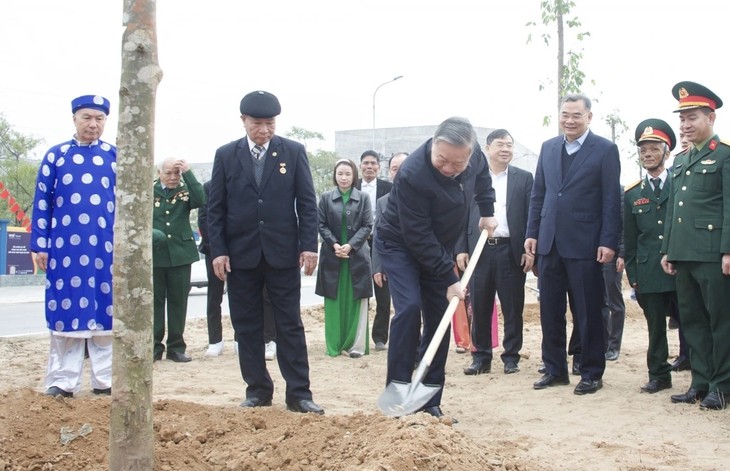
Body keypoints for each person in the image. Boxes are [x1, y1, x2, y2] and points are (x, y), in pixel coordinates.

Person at [207, 90, 324, 414]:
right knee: (246, 325)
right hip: (241, 256)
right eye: (257, 124)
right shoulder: (226, 155)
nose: (264, 130)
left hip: (282, 254)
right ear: (243, 121)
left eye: (270, 123)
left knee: (289, 324)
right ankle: (257, 389)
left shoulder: (294, 151)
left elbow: (307, 203)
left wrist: (308, 246)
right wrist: (219, 251)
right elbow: (215, 209)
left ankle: (299, 393)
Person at [376, 116, 496, 421]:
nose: (447, 168)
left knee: (439, 317)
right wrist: (448, 277)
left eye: (456, 164)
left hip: (437, 246)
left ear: (470, 153)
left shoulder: (475, 158)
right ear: (433, 143)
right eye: (441, 159)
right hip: (400, 244)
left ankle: (429, 399)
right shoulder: (413, 174)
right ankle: (398, 393)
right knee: (408, 309)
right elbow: (417, 236)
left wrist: (487, 212)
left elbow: (482, 180)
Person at [525, 93, 621, 396]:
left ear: (589, 117)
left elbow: (610, 201)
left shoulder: (605, 150)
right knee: (549, 310)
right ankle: (554, 369)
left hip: (586, 244)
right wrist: (533, 232)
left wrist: (609, 241)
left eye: (576, 115)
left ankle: (591, 372)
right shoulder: (549, 148)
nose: (570, 120)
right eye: (565, 114)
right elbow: (539, 194)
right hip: (550, 243)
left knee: (588, 311)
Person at [30, 94, 116, 397]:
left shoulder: (116, 157)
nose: (93, 124)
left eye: (99, 119)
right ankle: (63, 381)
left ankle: (105, 380)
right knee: (66, 314)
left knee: (106, 315)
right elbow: (42, 202)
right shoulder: (56, 156)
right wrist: (39, 244)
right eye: (87, 118)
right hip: (65, 250)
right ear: (75, 119)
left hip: (107, 250)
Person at [661, 81, 730, 410]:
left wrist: (728, 249)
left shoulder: (725, 155)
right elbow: (674, 209)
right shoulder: (679, 161)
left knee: (721, 321)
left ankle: (721, 385)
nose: (686, 125)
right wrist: (668, 250)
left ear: (711, 118)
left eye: (693, 118)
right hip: (684, 254)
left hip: (713, 255)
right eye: (682, 120)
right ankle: (700, 382)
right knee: (693, 322)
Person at [457, 129, 534, 375]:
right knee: (479, 306)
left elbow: (531, 217)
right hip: (478, 252)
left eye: (509, 145)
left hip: (510, 250)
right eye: (500, 144)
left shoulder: (524, 178)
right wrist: (460, 249)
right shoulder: (471, 179)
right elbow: (459, 216)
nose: (505, 149)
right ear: (488, 148)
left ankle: (511, 357)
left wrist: (529, 250)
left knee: (513, 307)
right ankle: (481, 357)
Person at [624, 118, 679, 394]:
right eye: (643, 150)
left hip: (680, 267)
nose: (647, 154)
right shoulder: (633, 194)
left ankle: (701, 374)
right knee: (655, 327)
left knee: (692, 324)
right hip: (648, 272)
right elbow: (630, 240)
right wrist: (633, 276)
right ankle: (659, 374)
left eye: (654, 149)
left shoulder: (680, 185)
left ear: (666, 152)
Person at [199, 180, 277, 359]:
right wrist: (218, 248)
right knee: (214, 296)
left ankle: (239, 339)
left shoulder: (244, 183)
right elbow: (205, 218)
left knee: (244, 297)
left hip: (241, 249)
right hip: (215, 250)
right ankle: (215, 340)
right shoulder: (209, 186)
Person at [316, 159, 373, 358]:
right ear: (335, 175)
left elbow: (367, 225)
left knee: (356, 299)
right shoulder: (325, 198)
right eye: (340, 173)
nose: (344, 178)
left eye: (348, 174)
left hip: (356, 256)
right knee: (333, 299)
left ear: (354, 176)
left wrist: (350, 245)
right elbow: (321, 224)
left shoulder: (363, 197)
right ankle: (334, 344)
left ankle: (354, 345)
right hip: (332, 257)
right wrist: (334, 245)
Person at [152, 157, 205, 363]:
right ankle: (155, 347)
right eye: (168, 173)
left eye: (177, 173)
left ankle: (176, 347)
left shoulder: (185, 190)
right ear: (159, 173)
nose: (173, 177)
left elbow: (201, 199)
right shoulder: (149, 191)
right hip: (156, 254)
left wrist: (189, 173)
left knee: (178, 302)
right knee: (155, 302)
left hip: (181, 255)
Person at [356, 150, 393, 351]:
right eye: (366, 163)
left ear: (379, 166)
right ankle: (357, 335)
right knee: (359, 291)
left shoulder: (389, 188)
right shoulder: (352, 187)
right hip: (357, 245)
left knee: (383, 293)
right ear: (360, 165)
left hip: (380, 244)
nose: (369, 166)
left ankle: (380, 337)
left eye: (373, 163)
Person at [603, 188, 626, 362]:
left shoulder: (619, 192)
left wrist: (622, 255)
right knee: (597, 302)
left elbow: (624, 225)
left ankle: (614, 344)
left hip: (612, 254)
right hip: (592, 254)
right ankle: (602, 342)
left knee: (614, 301)